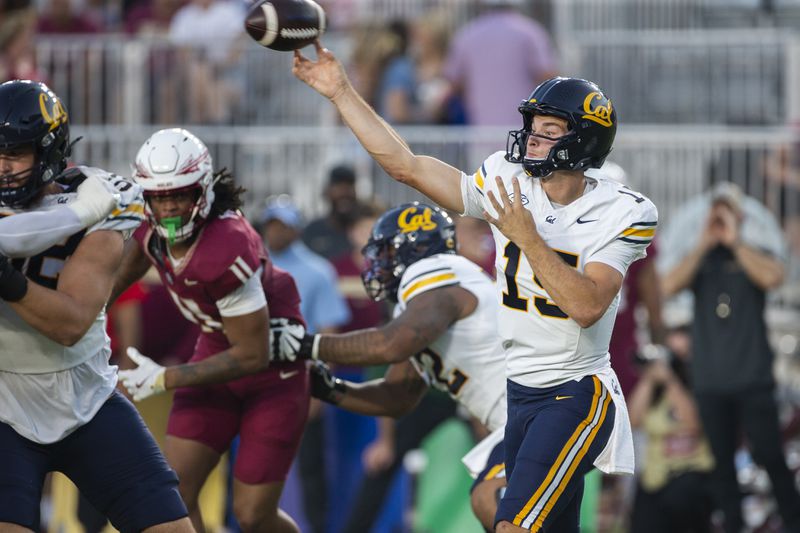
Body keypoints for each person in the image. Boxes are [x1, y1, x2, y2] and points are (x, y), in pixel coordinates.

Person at [291, 42, 656, 532]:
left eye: (549, 132)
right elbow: (407, 166)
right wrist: (341, 92)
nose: (531, 139)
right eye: (533, 127)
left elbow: (587, 305)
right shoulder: (509, 179)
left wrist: (526, 236)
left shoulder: (624, 211)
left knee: (511, 523)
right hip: (519, 392)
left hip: (575, 391)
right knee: (509, 512)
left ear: (583, 142)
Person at [0, 80, 192, 532]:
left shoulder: (99, 197)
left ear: (47, 151)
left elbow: (70, 322)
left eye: (14, 154)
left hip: (86, 399)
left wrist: (6, 280)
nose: (1, 167)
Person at [111, 128, 309, 533]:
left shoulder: (226, 244)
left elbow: (252, 354)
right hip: (218, 351)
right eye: (158, 197)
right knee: (173, 497)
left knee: (253, 515)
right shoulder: (150, 228)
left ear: (202, 191)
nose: (167, 209)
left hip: (272, 371)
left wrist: (166, 377)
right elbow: (110, 283)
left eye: (178, 195)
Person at [272, 201, 508, 531]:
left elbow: (389, 344)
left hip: (538, 411)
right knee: (502, 507)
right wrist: (326, 386)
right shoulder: (422, 304)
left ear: (413, 250)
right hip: (521, 419)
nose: (376, 265)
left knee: (494, 502)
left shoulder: (439, 273)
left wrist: (303, 345)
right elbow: (397, 397)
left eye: (384, 253)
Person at [660, 183, 800, 533]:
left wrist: (736, 240)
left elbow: (774, 277)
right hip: (710, 380)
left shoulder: (753, 252)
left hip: (753, 378)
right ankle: (734, 526)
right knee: (721, 465)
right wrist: (705, 241)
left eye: (727, 212)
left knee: (771, 456)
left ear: (740, 216)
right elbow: (668, 285)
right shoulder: (700, 257)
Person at [302, 163, 359, 259]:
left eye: (348, 187)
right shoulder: (312, 231)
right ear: (327, 192)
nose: (344, 193)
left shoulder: (363, 230)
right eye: (338, 187)